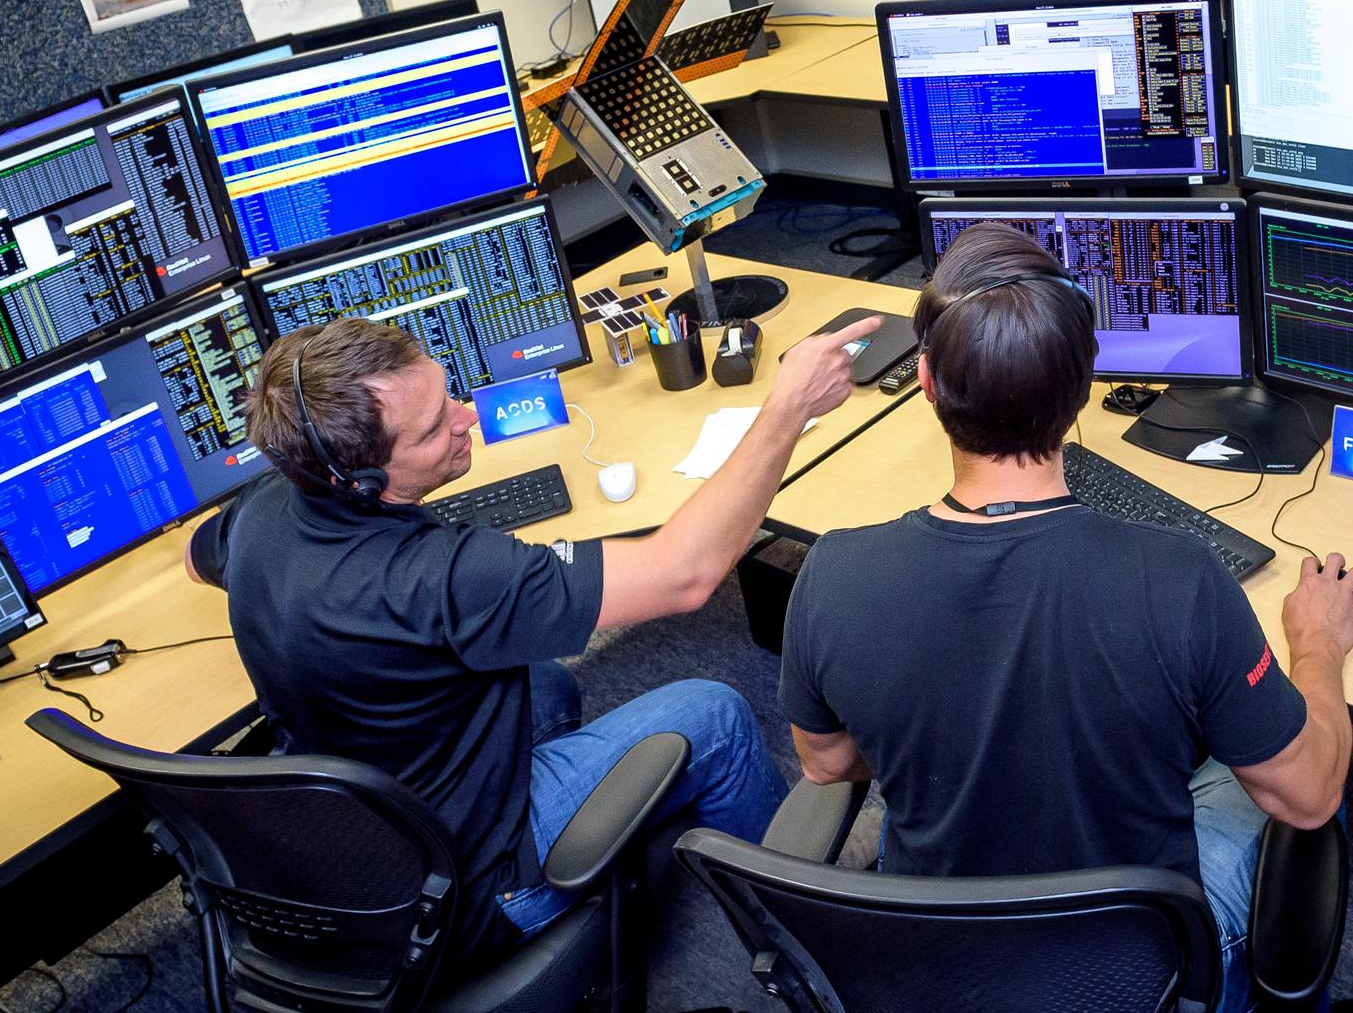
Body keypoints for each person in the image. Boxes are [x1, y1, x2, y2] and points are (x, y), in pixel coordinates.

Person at [779, 224, 1353, 1013]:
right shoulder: (1180, 579)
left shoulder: (833, 572)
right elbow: (1307, 794)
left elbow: (829, 764)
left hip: (934, 968)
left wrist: (945, 717)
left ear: (927, 381)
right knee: (1307, 746)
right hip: (1137, 976)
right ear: (1083, 388)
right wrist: (1317, 648)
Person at [187, 311, 882, 967]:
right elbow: (686, 575)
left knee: (545, 681)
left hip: (360, 832)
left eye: (449, 393)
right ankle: (796, 932)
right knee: (715, 714)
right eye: (433, 430)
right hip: (465, 890)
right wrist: (787, 409)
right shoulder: (442, 580)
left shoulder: (264, 508)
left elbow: (197, 558)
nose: (467, 420)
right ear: (363, 478)